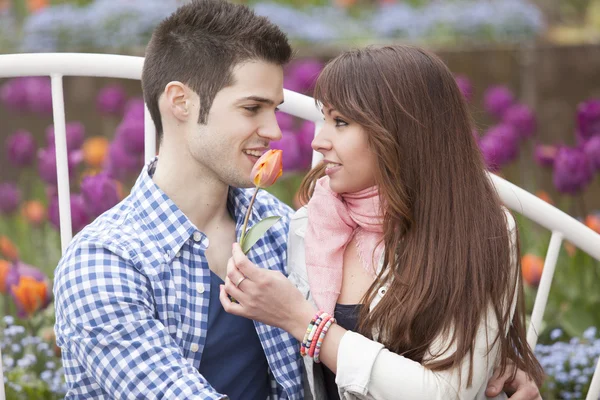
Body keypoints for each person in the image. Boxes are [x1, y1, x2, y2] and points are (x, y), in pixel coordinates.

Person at [220, 45, 545, 399]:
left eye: (340, 122)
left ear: (402, 131)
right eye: (323, 119)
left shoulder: (478, 232)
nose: (319, 140)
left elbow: (445, 392)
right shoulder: (309, 224)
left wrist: (304, 323)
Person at [53, 1, 304, 398]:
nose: (274, 130)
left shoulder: (281, 228)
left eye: (274, 109)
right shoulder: (105, 261)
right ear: (180, 102)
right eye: (252, 108)